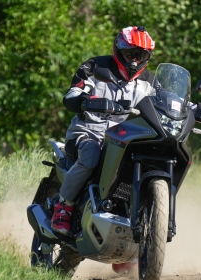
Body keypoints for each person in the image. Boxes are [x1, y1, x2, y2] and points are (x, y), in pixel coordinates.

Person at [51, 26, 157, 234]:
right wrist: (86, 101)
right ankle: (64, 206)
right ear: (118, 50)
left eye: (140, 55)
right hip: (87, 130)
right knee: (90, 156)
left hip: (123, 137)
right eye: (129, 54)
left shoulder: (150, 81)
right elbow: (71, 94)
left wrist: (189, 107)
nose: (134, 61)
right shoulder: (95, 66)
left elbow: (165, 101)